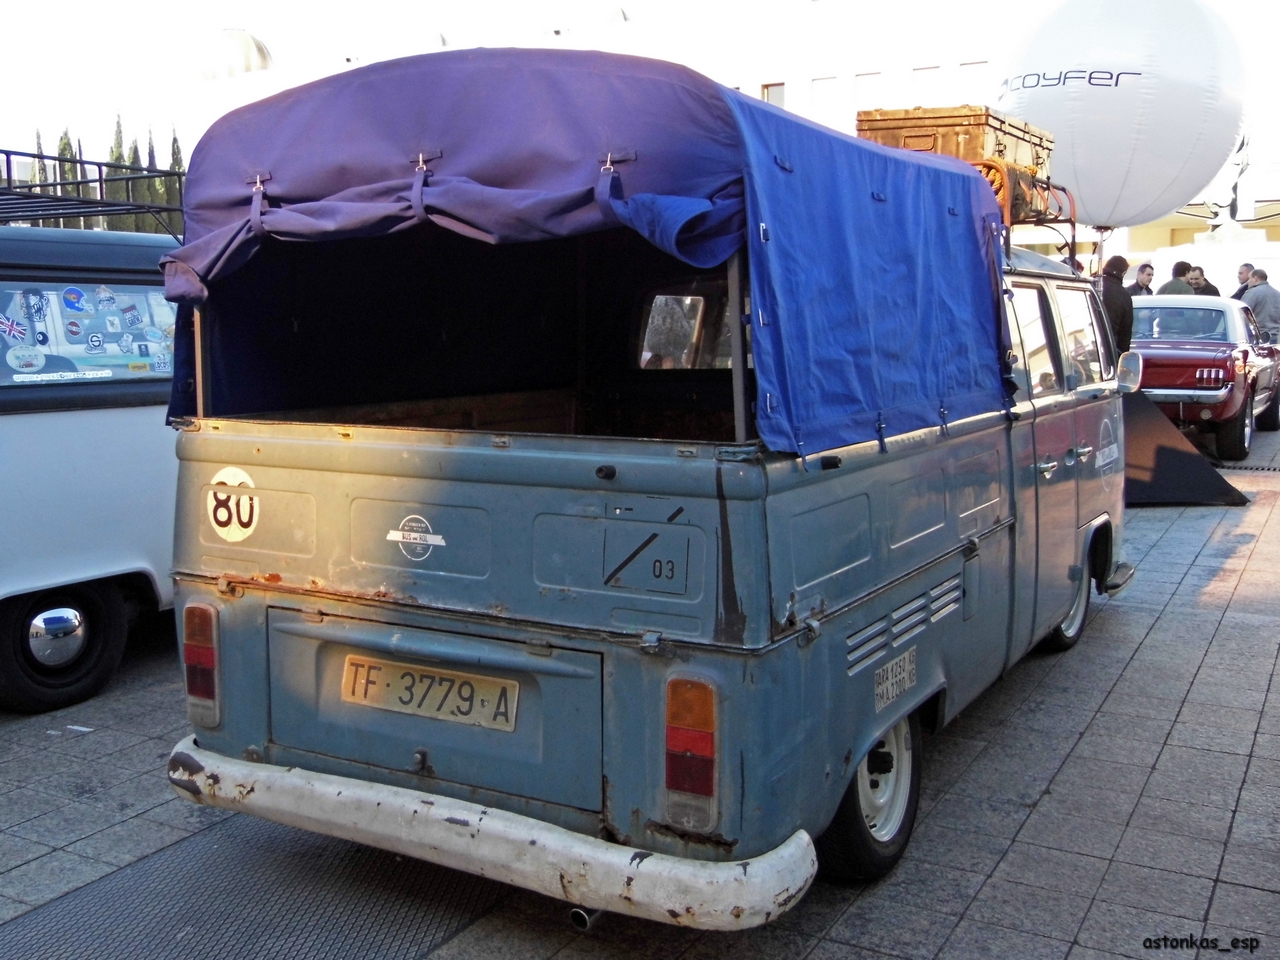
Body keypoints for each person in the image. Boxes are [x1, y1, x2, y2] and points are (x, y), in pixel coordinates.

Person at [1098, 254, 1134, 352]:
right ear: (1123, 273)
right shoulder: (1124, 296)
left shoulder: (1091, 285)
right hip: (1108, 351)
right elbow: (1125, 335)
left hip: (1083, 348)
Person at [1243, 269, 1280, 340]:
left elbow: (1242, 314)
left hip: (1256, 337)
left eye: (1249, 278)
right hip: (1274, 336)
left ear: (1255, 278)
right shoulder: (1277, 294)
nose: (1248, 281)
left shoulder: (1252, 293)